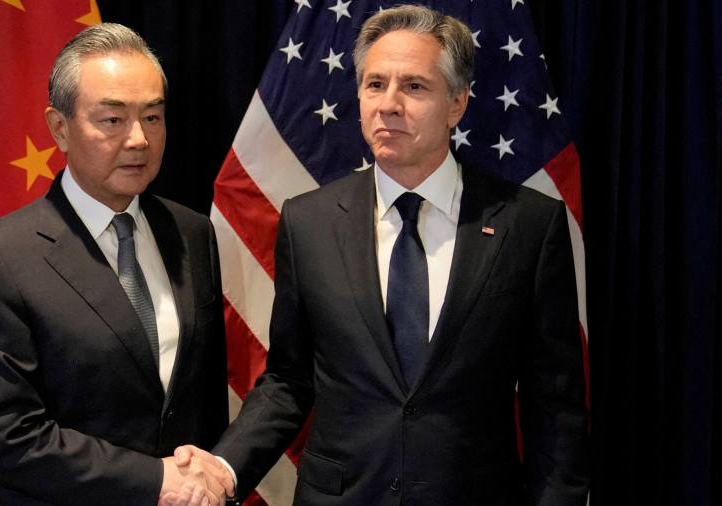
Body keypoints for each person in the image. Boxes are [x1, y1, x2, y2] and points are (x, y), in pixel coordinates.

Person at [169, 5, 589, 505]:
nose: (389, 104)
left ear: (456, 104)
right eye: (375, 84)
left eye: (414, 86)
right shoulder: (308, 222)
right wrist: (224, 468)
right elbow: (289, 379)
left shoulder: (529, 225)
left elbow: (554, 405)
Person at [0, 23, 233, 505]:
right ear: (59, 128)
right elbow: (6, 436)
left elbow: (202, 400)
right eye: (112, 119)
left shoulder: (192, 232)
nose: (139, 139)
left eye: (152, 117)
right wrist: (154, 480)